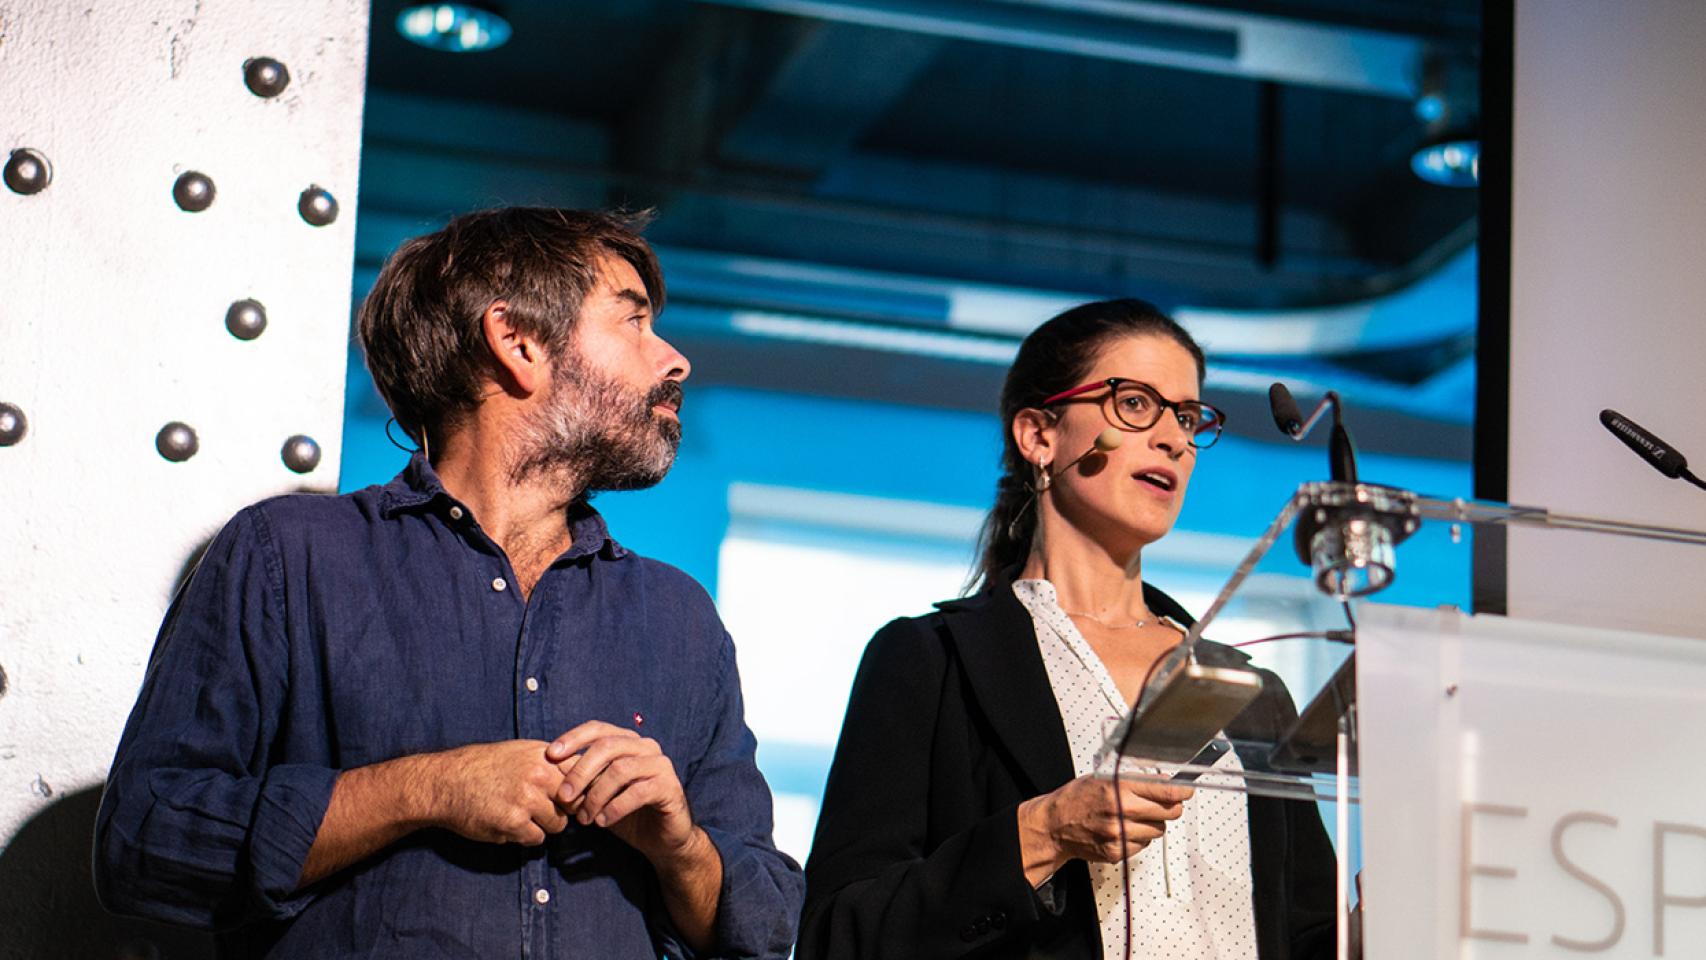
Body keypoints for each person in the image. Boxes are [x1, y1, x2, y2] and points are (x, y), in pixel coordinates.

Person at [94, 208, 804, 959]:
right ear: (517, 342)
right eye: (633, 322)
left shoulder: (679, 617)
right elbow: (146, 842)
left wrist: (679, 845)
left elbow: (763, 927)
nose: (674, 360)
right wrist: (424, 790)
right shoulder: (288, 556)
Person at [797, 299, 1338, 959]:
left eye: (1188, 417)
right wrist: (1043, 832)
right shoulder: (931, 663)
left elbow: (1306, 935)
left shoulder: (1249, 691)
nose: (1173, 437)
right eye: (1135, 404)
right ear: (1038, 436)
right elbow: (836, 935)